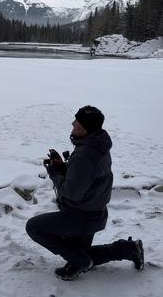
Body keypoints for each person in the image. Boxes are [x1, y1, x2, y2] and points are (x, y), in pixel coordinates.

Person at [26, 105, 144, 281]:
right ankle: (128, 249)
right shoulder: (97, 145)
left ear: (85, 127)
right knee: (81, 253)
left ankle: (79, 261)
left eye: (77, 123)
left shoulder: (85, 155)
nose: (73, 124)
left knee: (34, 227)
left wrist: (55, 173)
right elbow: (86, 178)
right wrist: (64, 167)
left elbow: (70, 193)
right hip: (94, 212)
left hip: (80, 216)